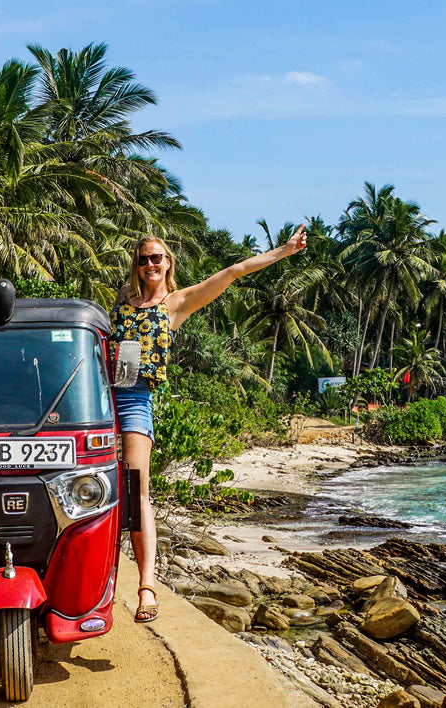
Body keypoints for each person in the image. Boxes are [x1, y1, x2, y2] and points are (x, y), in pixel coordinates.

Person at [114, 225, 308, 622]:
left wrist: (284, 252)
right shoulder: (119, 304)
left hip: (134, 398)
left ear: (168, 263)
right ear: (136, 265)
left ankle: (146, 587)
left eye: (157, 257)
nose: (150, 263)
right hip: (98, 398)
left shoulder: (177, 303)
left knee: (137, 492)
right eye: (143, 258)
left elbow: (234, 271)